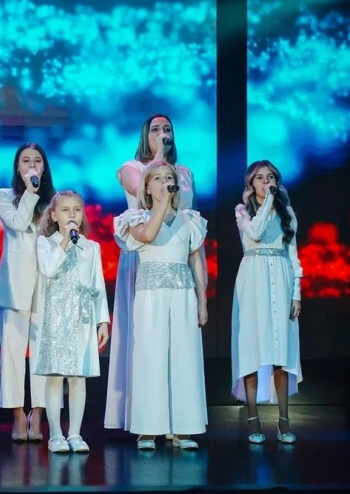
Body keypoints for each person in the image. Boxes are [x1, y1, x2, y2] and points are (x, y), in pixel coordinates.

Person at [105, 114, 199, 437]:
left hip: (175, 255)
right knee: (145, 340)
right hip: (141, 252)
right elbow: (146, 193)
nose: (162, 134)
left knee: (177, 345)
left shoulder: (184, 173)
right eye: (155, 130)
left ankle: (176, 420)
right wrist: (159, 157)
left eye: (167, 129)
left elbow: (187, 214)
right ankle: (143, 419)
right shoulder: (130, 167)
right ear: (145, 135)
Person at [113, 160, 208, 450]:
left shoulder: (190, 220)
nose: (165, 182)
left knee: (183, 358)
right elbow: (148, 236)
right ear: (147, 187)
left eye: (169, 177)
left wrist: (202, 301)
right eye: (158, 178)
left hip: (182, 294)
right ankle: (148, 429)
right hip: (151, 296)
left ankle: (183, 428)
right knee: (150, 356)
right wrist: (162, 204)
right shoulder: (135, 218)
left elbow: (196, 261)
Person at [231, 160, 303, 444]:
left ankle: (284, 421)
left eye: (270, 177)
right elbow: (256, 232)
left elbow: (293, 254)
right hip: (253, 280)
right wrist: (270, 200)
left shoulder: (287, 212)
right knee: (252, 348)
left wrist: (296, 293)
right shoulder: (242, 211)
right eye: (259, 178)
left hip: (281, 277)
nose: (265, 182)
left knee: (280, 351)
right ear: (251, 184)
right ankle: (253, 419)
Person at [33, 191, 110, 453]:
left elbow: (97, 284)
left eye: (77, 210)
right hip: (55, 318)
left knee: (78, 377)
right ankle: (55, 435)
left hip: (82, 318)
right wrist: (66, 240)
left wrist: (103, 321)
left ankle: (75, 434)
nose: (72, 215)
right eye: (65, 210)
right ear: (54, 215)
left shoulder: (91, 247)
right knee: (55, 377)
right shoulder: (45, 243)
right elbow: (48, 269)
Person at [0, 143, 57, 441]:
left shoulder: (55, 200)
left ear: (44, 167)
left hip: (46, 282)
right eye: (26, 161)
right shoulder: (4, 196)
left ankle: (38, 413)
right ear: (18, 168)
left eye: (37, 161)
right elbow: (17, 223)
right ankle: (17, 413)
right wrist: (30, 191)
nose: (32, 166)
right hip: (14, 284)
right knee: (12, 353)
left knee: (43, 353)